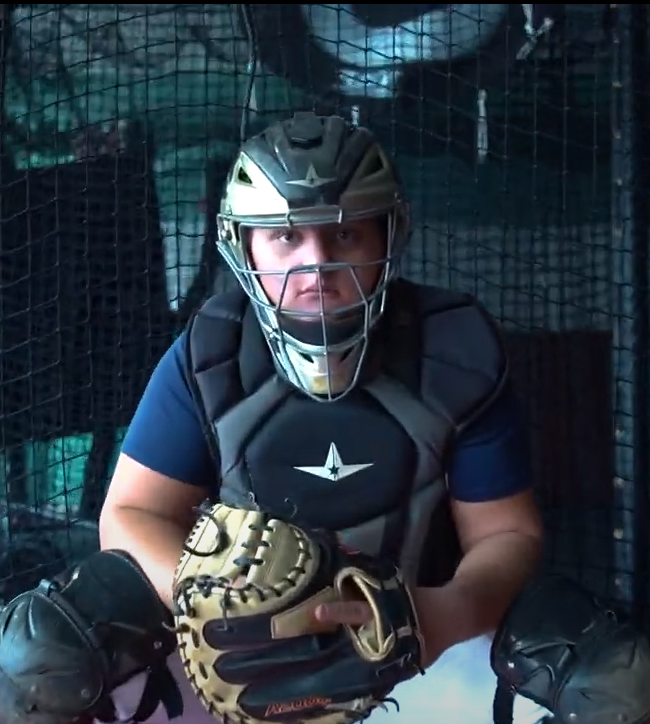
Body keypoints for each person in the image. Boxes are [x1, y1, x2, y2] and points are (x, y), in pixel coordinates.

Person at [99, 111, 550, 724]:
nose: (317, 264)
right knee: (40, 662)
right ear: (243, 244)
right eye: (287, 237)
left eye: (344, 235)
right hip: (235, 662)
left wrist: (437, 617)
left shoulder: (454, 351)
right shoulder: (213, 353)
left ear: (388, 237)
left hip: (418, 650)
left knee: (617, 682)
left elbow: (507, 534)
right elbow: (130, 514)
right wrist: (213, 604)